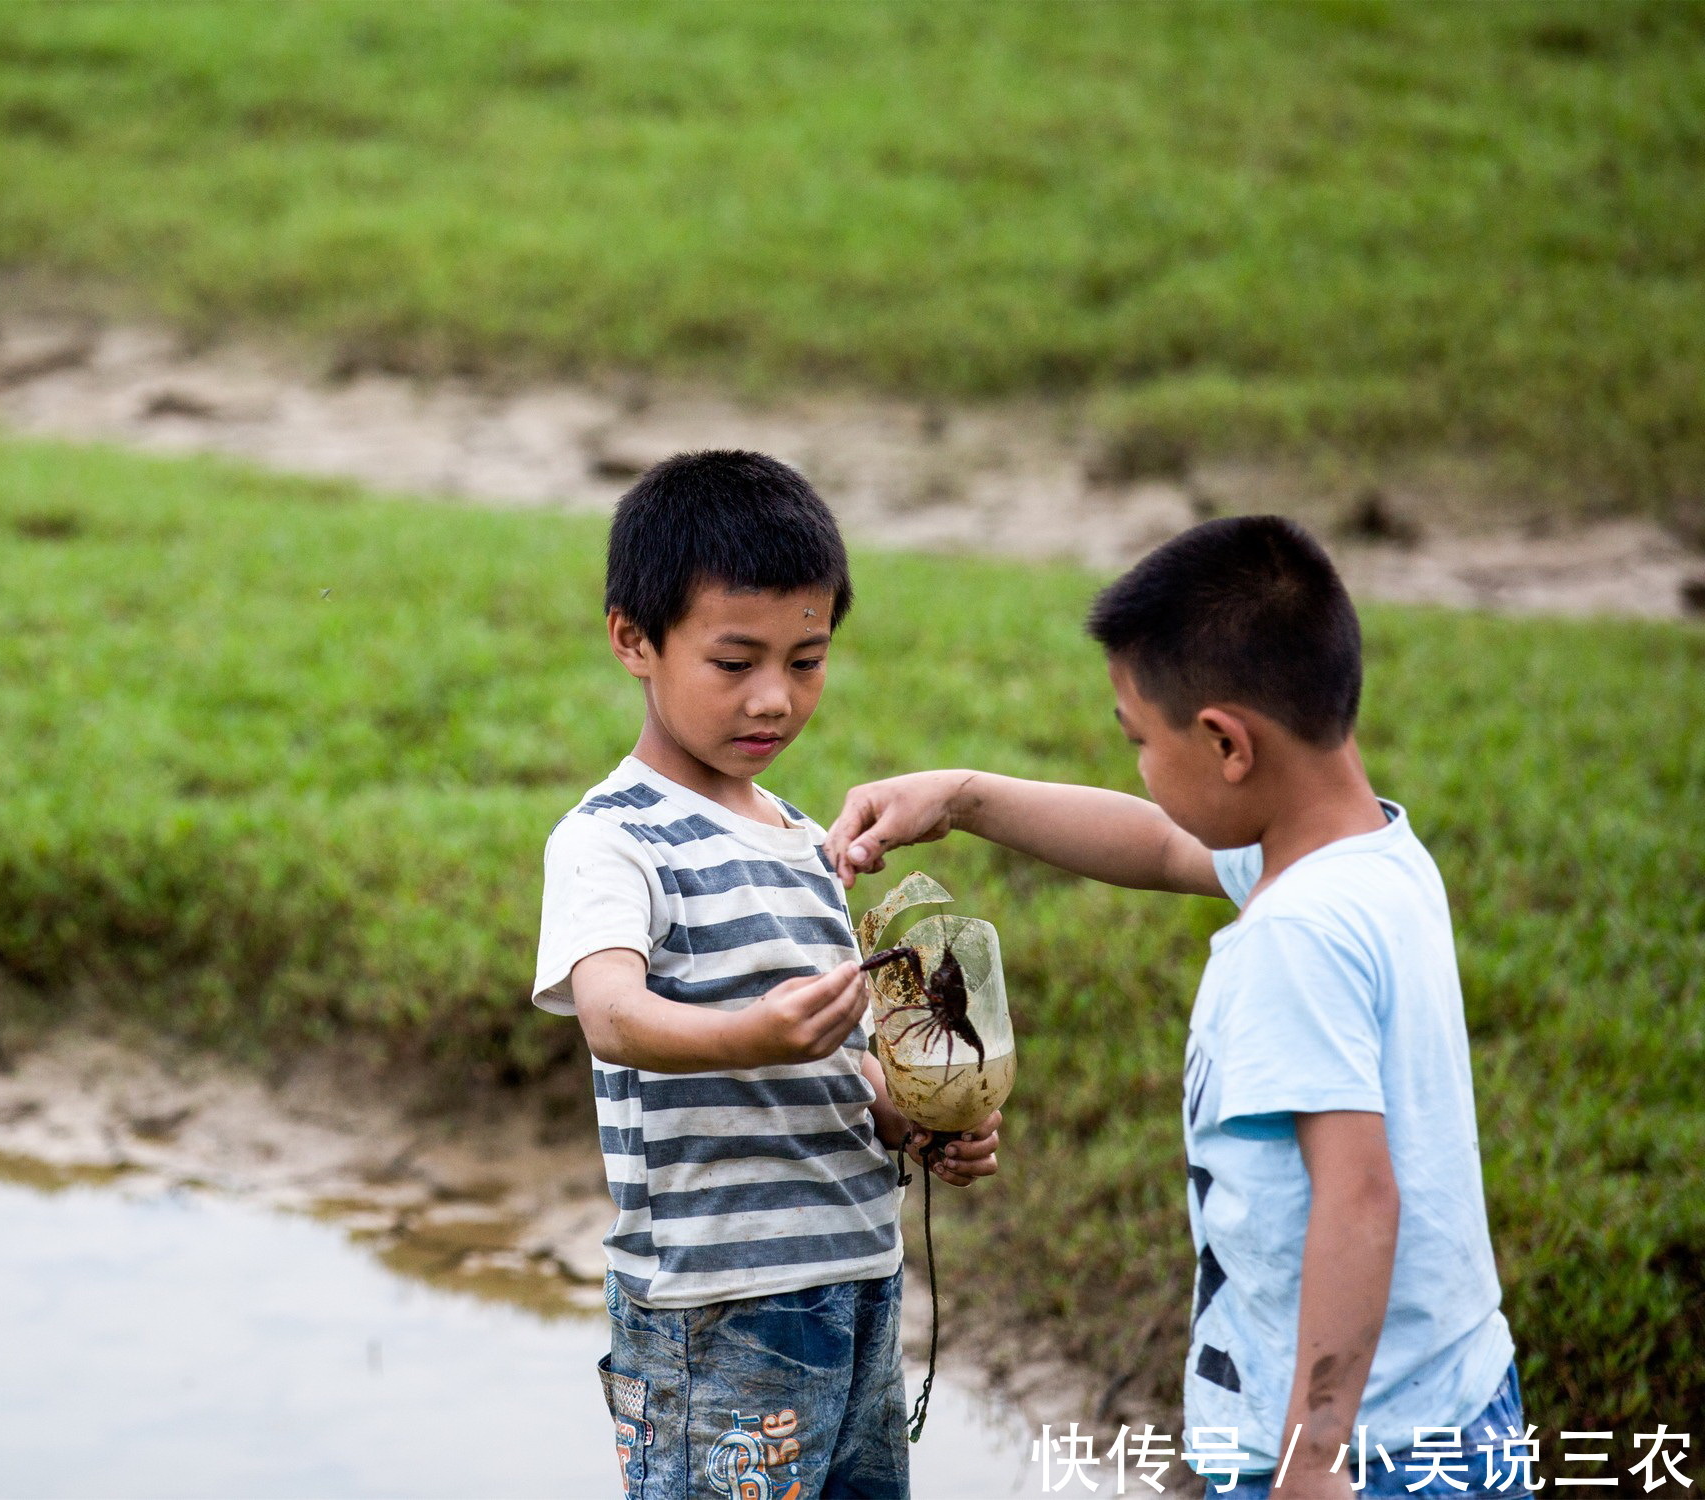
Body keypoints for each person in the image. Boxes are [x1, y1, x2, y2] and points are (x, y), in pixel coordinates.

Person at [824, 516, 1524, 1498]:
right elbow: (1157, 846)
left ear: (1225, 744)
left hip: (1364, 1457)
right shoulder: (1369, 859)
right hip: (1455, 1399)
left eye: (1139, 743)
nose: (1139, 771)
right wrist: (961, 798)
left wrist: (1310, 1461)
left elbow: (1358, 1201)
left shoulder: (1292, 938)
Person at [533, 450, 1000, 1500]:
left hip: (860, 1278)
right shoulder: (611, 839)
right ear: (633, 641)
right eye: (733, 662)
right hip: (717, 1306)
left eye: (806, 659)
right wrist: (749, 1035)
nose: (774, 699)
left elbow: (835, 1066)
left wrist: (911, 1117)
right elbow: (611, 1015)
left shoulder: (802, 839)